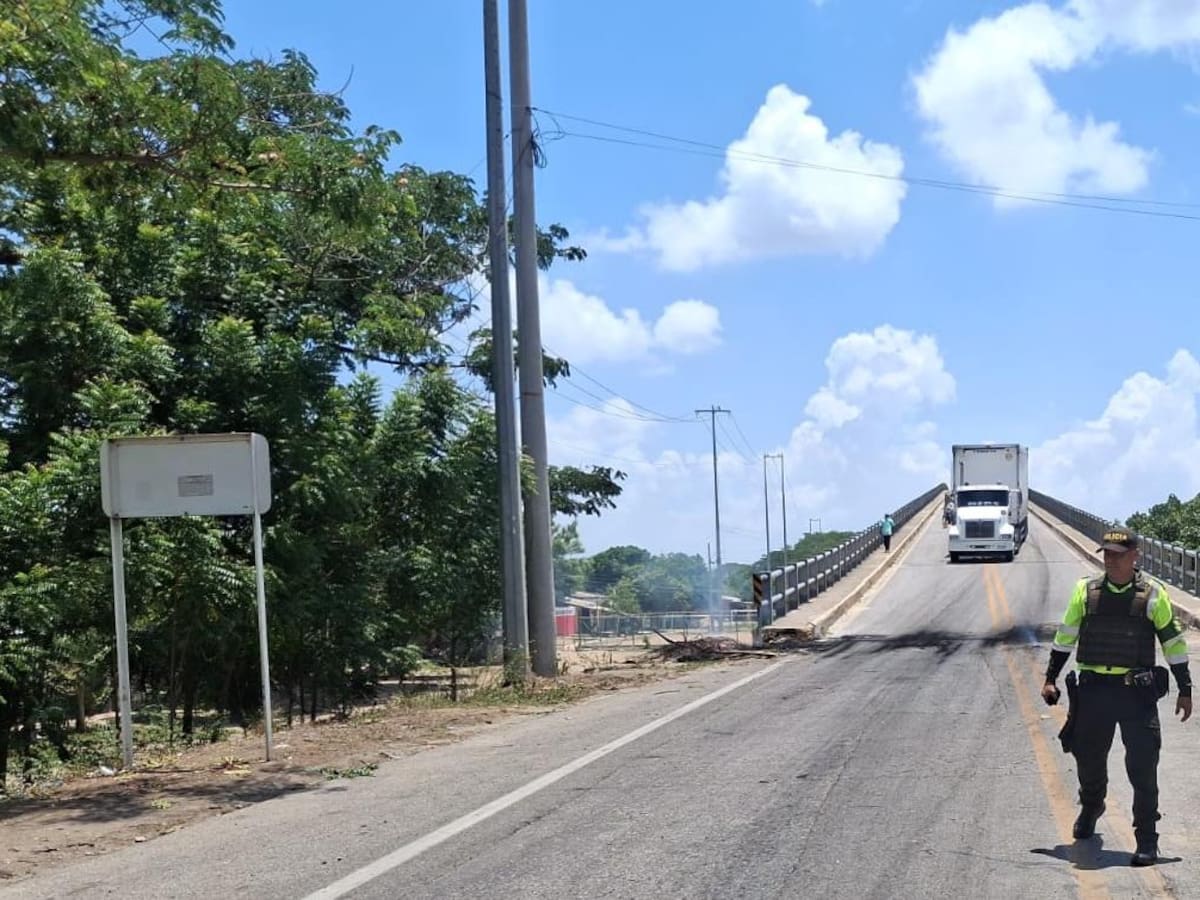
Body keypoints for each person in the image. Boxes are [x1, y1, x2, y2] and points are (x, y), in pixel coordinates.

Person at [1041, 527, 1192, 866]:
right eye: (1107, 554)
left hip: (1136, 695)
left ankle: (1147, 838)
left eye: (1118, 555)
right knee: (1088, 760)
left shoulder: (1152, 594)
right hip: (1094, 692)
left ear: (1135, 556)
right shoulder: (1086, 591)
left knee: (1143, 767)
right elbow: (1065, 636)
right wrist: (1050, 678)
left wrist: (1185, 688)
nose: (1111, 560)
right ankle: (1092, 805)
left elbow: (1173, 642)